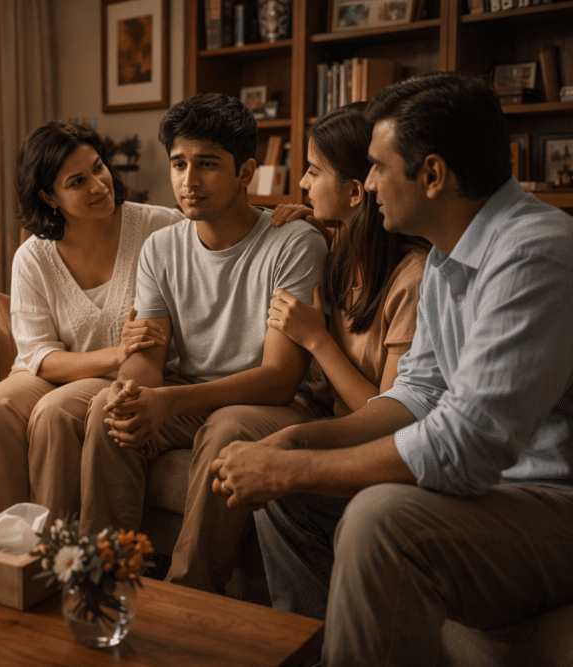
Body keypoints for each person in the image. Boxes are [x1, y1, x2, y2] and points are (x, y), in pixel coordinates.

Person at [211, 72, 573, 666]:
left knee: (381, 519)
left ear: (431, 175)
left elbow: (465, 444)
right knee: (287, 490)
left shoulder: (536, 251)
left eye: (378, 167)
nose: (369, 183)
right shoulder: (443, 257)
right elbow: (416, 394)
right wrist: (298, 442)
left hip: (548, 500)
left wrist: (295, 466)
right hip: (486, 495)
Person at [71, 92, 330, 594]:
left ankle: (189, 598)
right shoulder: (161, 247)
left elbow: (279, 380)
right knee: (109, 410)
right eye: (179, 164)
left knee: (227, 425)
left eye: (207, 165)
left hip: (274, 404)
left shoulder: (294, 243)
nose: (189, 181)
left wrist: (167, 400)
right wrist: (132, 392)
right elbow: (147, 359)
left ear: (246, 171)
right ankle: (104, 584)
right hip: (191, 394)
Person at [0, 120, 181, 516]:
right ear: (48, 197)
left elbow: (221, 229)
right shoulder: (33, 258)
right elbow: (39, 357)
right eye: (77, 182)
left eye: (99, 168)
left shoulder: (159, 226)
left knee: (56, 411)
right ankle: (11, 538)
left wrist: (285, 218)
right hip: (57, 371)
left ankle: (55, 546)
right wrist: (117, 353)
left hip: (133, 376)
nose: (99, 186)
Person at [267, 102, 429, 420]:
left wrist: (316, 339)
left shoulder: (414, 280)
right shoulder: (341, 246)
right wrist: (319, 235)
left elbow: (387, 414)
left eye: (313, 171)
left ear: (355, 192)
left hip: (370, 432)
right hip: (326, 412)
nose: (302, 183)